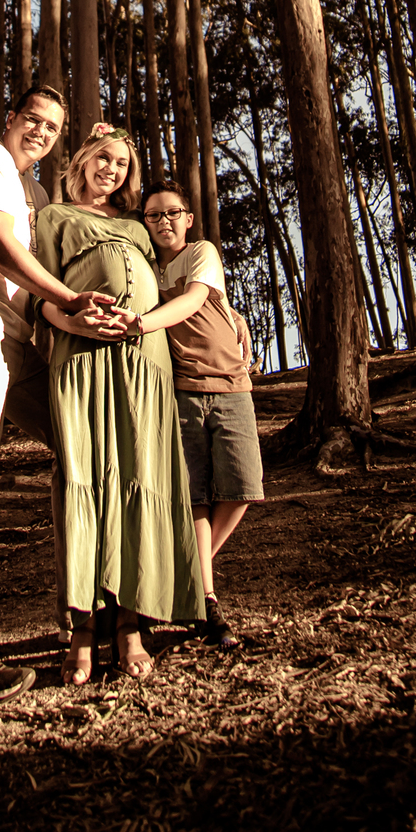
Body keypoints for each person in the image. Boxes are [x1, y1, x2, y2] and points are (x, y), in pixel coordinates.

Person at [0, 86, 126, 708]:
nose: (40, 130)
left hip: (14, 335)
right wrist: (67, 299)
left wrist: (82, 313)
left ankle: (88, 614)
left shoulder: (36, 195)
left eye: (53, 126)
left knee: (79, 445)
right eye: (32, 118)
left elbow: (43, 278)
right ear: (11, 119)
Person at [34, 124, 206, 685]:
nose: (112, 170)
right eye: (103, 159)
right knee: (86, 482)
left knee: (141, 478)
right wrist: (74, 318)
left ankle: (131, 624)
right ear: (82, 160)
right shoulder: (54, 218)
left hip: (145, 360)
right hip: (83, 358)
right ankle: (82, 630)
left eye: (122, 164)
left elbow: (179, 272)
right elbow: (44, 301)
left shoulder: (137, 226)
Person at [142, 179, 264, 650]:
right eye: (154, 215)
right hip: (182, 393)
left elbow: (197, 298)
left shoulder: (201, 252)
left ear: (188, 218)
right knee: (195, 498)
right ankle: (205, 598)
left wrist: (141, 321)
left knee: (242, 486)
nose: (164, 221)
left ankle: (180, 581)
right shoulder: (148, 268)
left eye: (172, 212)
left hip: (232, 385)